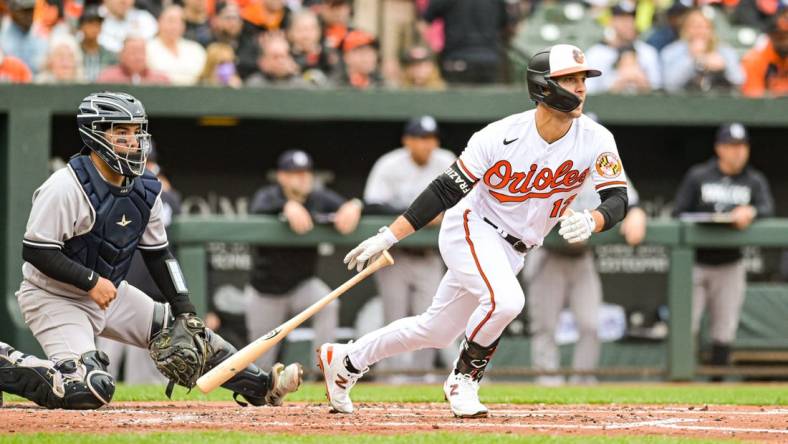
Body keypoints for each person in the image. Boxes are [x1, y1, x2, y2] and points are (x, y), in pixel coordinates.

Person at [318, 44, 629, 418]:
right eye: (569, 79)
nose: (580, 87)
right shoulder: (499, 135)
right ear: (543, 86)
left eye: (583, 79)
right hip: (474, 226)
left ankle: (347, 359)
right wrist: (389, 236)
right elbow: (444, 190)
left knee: (435, 331)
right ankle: (463, 379)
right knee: (507, 301)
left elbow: (617, 199)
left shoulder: (596, 138)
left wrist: (594, 220)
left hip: (515, 248)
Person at [0, 91, 302, 410]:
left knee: (190, 337)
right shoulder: (65, 186)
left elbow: (159, 254)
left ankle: (262, 386)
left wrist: (184, 308)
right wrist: (90, 281)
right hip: (55, 296)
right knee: (87, 391)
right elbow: (36, 250)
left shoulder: (145, 187)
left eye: (136, 131)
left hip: (111, 294)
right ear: (95, 135)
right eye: (122, 132)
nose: (133, 141)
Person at [672, 122, 774, 380]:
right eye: (731, 146)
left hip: (731, 262)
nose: (737, 152)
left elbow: (768, 209)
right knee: (686, 325)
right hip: (695, 260)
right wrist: (709, 218)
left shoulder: (754, 180)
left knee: (724, 328)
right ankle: (681, 383)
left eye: (742, 146)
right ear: (719, 148)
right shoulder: (699, 175)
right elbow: (677, 212)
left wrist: (750, 211)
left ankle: (717, 386)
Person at [245, 149, 361, 370]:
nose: (303, 177)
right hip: (266, 291)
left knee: (329, 305)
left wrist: (354, 205)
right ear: (282, 176)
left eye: (306, 172)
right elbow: (258, 208)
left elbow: (349, 205)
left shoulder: (318, 197)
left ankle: (322, 372)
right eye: (295, 172)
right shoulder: (269, 195)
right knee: (261, 363)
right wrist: (286, 205)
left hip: (302, 286)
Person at [525, 179, 646, 386]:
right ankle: (547, 384)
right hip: (548, 255)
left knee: (590, 324)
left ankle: (583, 381)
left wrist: (636, 213)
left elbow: (628, 200)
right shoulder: (551, 157)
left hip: (582, 258)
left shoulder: (601, 159)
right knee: (545, 326)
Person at [363, 116, 456, 380]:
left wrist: (442, 213)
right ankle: (390, 378)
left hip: (428, 255)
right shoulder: (390, 164)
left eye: (432, 138)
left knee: (429, 318)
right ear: (407, 141)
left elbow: (466, 199)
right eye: (421, 138)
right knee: (394, 317)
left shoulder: (445, 159)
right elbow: (373, 204)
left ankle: (419, 379)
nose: (428, 144)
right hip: (396, 255)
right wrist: (421, 214)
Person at [585, 1, 661, 94]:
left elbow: (658, 89)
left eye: (631, 18)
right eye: (622, 19)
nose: (628, 23)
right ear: (611, 21)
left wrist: (640, 81)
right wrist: (618, 83)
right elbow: (589, 92)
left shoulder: (647, 52)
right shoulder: (596, 54)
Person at [661, 8, 744, 93]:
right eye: (695, 27)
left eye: (706, 27)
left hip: (719, 101)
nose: (700, 31)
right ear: (685, 29)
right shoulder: (672, 51)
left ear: (712, 30)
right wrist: (695, 60)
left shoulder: (725, 51)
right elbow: (668, 84)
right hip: (682, 102)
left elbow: (739, 81)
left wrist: (724, 67)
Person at [146, 5, 207, 86]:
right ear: (159, 21)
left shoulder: (196, 49)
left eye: (180, 21)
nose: (175, 26)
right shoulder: (147, 48)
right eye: (171, 20)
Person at [741, 10, 788, 97]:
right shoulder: (754, 61)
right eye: (782, 36)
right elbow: (754, 103)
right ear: (771, 35)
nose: (786, 41)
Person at [97, 36, 170, 85]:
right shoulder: (107, 78)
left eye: (141, 52)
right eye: (133, 52)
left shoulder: (160, 80)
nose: (138, 57)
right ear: (122, 55)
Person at [0, 0, 48, 73]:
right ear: (12, 11)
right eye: (24, 11)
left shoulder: (39, 30)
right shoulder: (3, 32)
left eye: (31, 10)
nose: (29, 16)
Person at [77, 5, 117, 82]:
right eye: (90, 23)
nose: (94, 28)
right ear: (81, 26)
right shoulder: (74, 52)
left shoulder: (109, 56)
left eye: (97, 24)